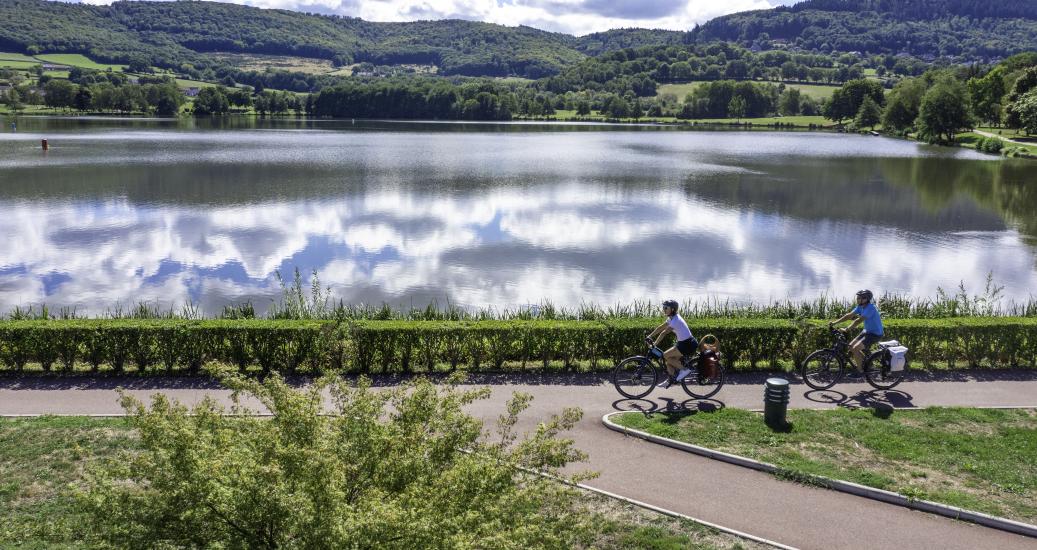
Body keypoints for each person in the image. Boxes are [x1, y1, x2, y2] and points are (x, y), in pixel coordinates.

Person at [830, 289, 884, 375]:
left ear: (866, 299)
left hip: (875, 334)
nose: (858, 299)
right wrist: (834, 323)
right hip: (867, 331)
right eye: (857, 298)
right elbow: (849, 316)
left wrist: (846, 329)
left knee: (855, 349)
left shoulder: (871, 308)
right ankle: (868, 363)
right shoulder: (860, 306)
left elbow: (858, 321)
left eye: (860, 298)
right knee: (851, 347)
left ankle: (860, 371)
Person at [646, 299, 698, 388]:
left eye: (666, 308)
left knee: (665, 356)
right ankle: (671, 380)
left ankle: (685, 370)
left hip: (687, 344)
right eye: (663, 307)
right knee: (669, 362)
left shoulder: (676, 320)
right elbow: (660, 328)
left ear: (672, 309)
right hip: (682, 343)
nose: (664, 309)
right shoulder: (672, 318)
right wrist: (649, 336)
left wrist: (654, 344)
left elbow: (664, 333)